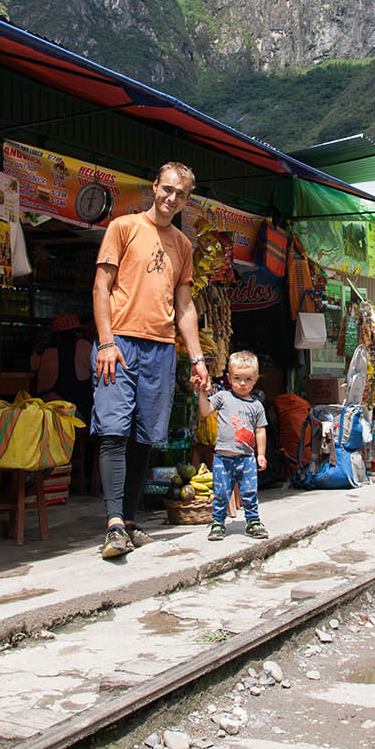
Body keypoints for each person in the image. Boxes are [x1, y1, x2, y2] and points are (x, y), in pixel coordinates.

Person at [92, 162, 210, 559]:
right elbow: (101, 286)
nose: (171, 198)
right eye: (168, 189)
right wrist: (106, 343)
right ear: (154, 187)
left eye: (181, 194)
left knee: (145, 437)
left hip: (160, 348)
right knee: (114, 431)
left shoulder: (183, 244)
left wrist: (197, 358)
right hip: (120, 345)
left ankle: (128, 520)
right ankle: (112, 525)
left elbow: (185, 306)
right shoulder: (123, 228)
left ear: (186, 200)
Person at [197, 350, 269, 541]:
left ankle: (253, 521)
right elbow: (205, 412)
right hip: (223, 456)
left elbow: (260, 431)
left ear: (256, 379)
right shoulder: (222, 397)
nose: (242, 383)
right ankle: (218, 523)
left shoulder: (256, 406)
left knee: (250, 491)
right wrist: (201, 394)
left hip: (246, 458)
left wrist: (260, 454)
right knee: (221, 491)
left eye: (247, 379)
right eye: (237, 378)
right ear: (229, 378)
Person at [36, 313, 95, 495]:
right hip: (73, 418)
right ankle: (88, 479)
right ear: (76, 331)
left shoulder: (46, 351)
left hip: (45, 416)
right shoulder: (84, 346)